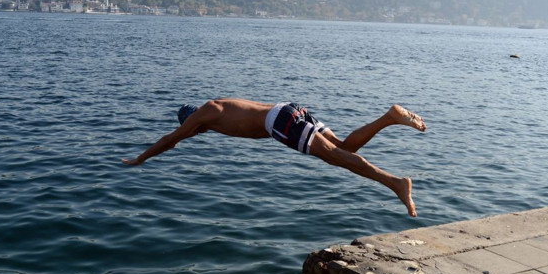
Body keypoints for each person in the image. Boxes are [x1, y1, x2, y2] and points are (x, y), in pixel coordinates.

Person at [121, 98, 426, 217]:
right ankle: (389, 117)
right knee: (345, 149)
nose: (195, 133)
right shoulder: (216, 112)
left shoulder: (207, 112)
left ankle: (396, 183)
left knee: (335, 157)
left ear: (191, 119)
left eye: (192, 128)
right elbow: (176, 142)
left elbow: (171, 139)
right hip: (288, 110)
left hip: (278, 122)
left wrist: (140, 159)